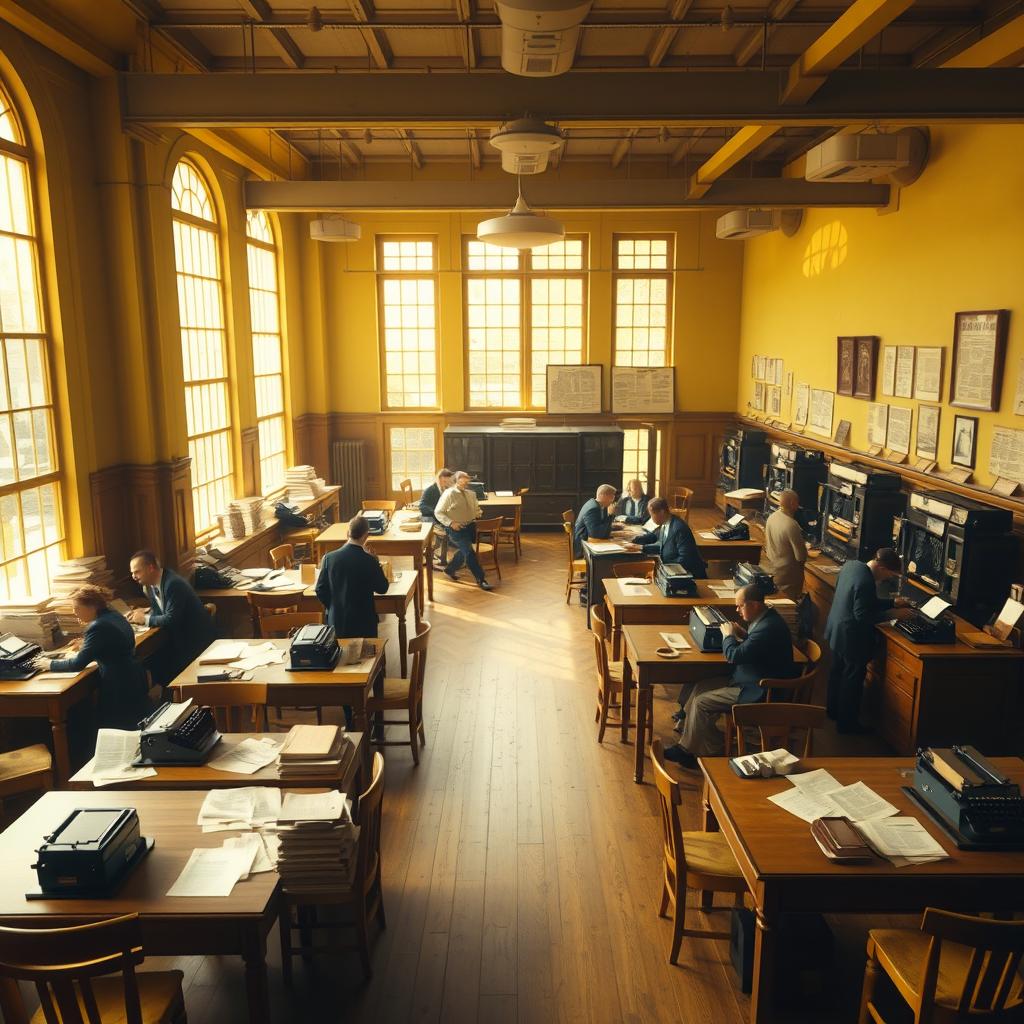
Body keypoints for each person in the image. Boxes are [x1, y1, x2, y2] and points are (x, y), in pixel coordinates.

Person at [663, 584, 797, 768]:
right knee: (700, 686)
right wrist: (744, 634)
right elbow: (755, 646)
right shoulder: (766, 618)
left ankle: (692, 750)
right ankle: (690, 732)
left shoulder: (767, 628)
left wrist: (728, 636)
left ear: (755, 605)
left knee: (701, 702)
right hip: (749, 677)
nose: (737, 609)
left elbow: (734, 656)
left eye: (740, 606)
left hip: (759, 689)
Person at [824, 547, 913, 735]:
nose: (888, 579)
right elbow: (863, 615)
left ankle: (832, 711)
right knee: (852, 681)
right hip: (852, 637)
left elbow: (863, 601)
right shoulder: (866, 581)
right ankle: (847, 725)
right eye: (890, 574)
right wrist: (893, 614)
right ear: (881, 567)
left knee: (837, 672)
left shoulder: (852, 566)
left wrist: (891, 602)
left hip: (837, 629)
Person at [47, 585, 154, 731]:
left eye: (77, 608)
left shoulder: (97, 626)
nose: (74, 612)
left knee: (119, 727)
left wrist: (49, 664)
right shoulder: (114, 615)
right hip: (134, 675)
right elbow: (110, 643)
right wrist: (87, 645)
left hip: (119, 683)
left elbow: (77, 664)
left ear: (91, 607)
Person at [127, 549, 217, 685]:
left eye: (137, 572)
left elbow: (171, 619)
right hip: (178, 638)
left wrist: (145, 619)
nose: (133, 576)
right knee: (148, 662)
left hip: (194, 641)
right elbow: (162, 611)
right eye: (132, 573)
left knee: (154, 663)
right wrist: (146, 612)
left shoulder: (173, 584)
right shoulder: (149, 586)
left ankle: (170, 696)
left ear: (150, 568)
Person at [316, 514, 389, 637]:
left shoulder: (329, 558)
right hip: (364, 624)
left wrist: (334, 605)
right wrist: (377, 563)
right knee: (367, 656)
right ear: (366, 535)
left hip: (337, 622)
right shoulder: (369, 560)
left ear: (348, 533)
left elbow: (320, 589)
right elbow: (382, 588)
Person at [435, 470, 492, 590]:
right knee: (470, 553)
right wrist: (451, 523)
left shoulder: (471, 494)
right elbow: (438, 512)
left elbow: (476, 508)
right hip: (456, 529)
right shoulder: (449, 493)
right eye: (462, 478)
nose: (465, 480)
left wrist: (477, 513)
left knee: (464, 550)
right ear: (456, 479)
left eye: (467, 478)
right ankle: (481, 579)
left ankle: (450, 569)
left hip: (470, 527)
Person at [627, 497, 707, 579]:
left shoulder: (679, 529)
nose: (651, 518)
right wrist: (641, 547)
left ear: (661, 512)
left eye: (652, 515)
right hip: (674, 573)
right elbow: (664, 547)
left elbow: (685, 559)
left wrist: (661, 568)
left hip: (691, 577)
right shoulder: (665, 523)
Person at [761, 489, 808, 600]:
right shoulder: (791, 524)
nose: (798, 505)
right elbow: (801, 557)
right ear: (792, 503)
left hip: (772, 570)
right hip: (787, 576)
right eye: (797, 502)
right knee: (789, 606)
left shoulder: (772, 517)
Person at [419, 468, 454, 568]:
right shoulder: (430, 489)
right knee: (442, 534)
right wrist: (435, 511)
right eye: (444, 481)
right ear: (439, 479)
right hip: (429, 518)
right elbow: (422, 506)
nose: (446, 483)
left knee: (448, 531)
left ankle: (442, 559)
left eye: (448, 481)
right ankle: (429, 553)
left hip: (439, 518)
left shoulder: (446, 490)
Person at [573, 483, 618, 558]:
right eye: (611, 497)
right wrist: (610, 515)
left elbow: (601, 528)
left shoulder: (598, 505)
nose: (612, 500)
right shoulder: (593, 508)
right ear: (603, 495)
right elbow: (596, 534)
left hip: (588, 541)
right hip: (583, 548)